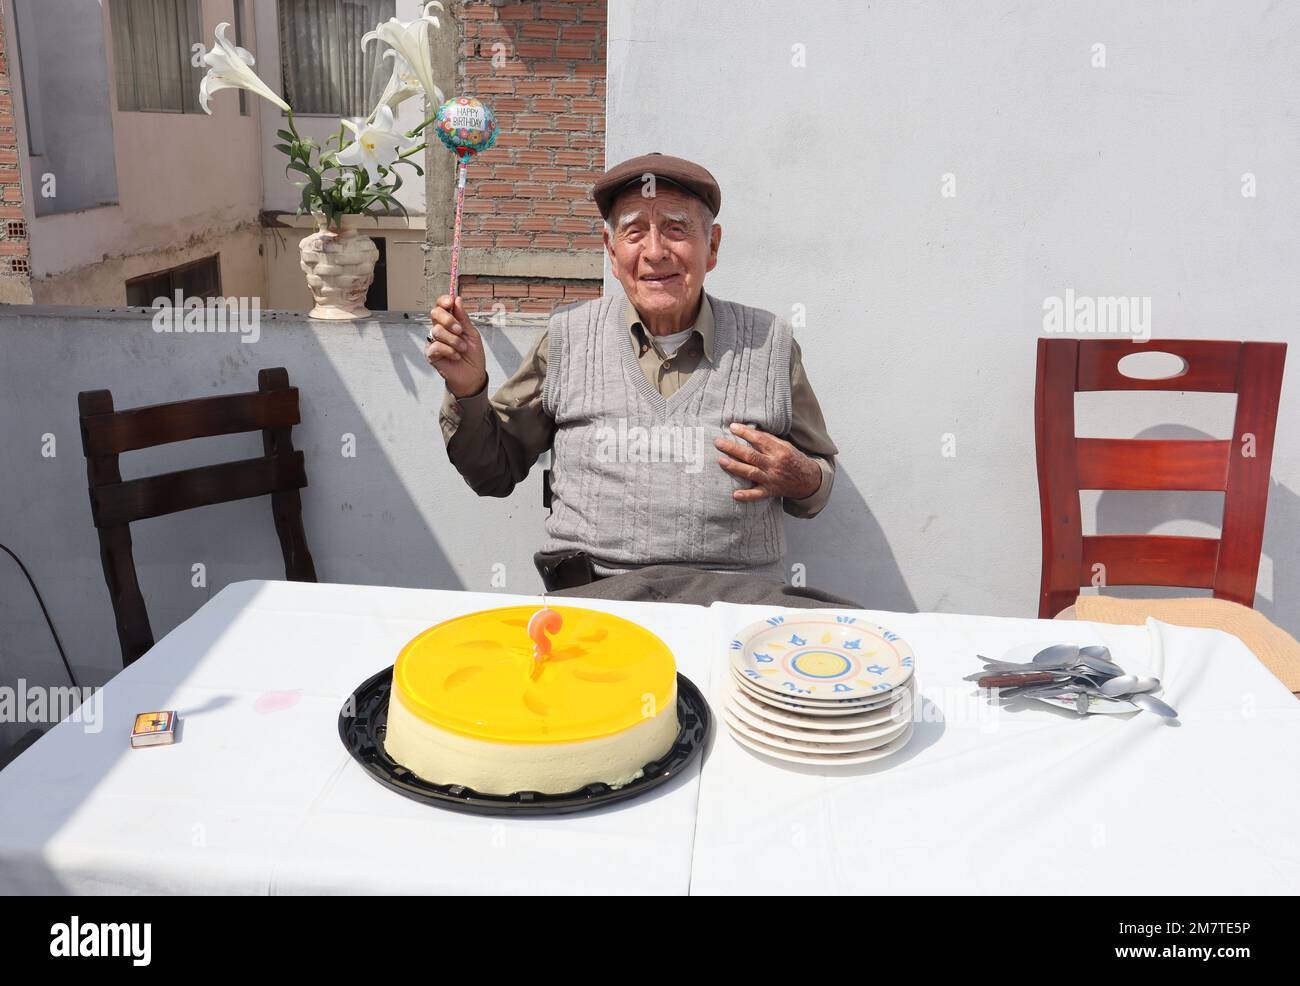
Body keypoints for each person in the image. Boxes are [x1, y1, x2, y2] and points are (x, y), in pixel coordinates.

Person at [426, 152, 861, 608]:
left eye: (676, 229)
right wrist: (468, 389)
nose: (655, 251)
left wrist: (804, 478)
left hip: (737, 598)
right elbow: (492, 472)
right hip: (596, 595)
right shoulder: (567, 338)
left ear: (711, 246)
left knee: (858, 641)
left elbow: (817, 487)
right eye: (634, 232)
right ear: (612, 252)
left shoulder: (770, 343)